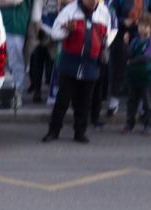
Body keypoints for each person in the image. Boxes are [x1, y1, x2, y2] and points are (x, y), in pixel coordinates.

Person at [44, 0, 111, 143]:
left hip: (91, 64)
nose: (93, 2)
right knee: (62, 100)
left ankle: (80, 132)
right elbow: (55, 33)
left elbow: (107, 34)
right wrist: (67, 29)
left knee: (85, 102)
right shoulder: (70, 10)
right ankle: (53, 131)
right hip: (71, 63)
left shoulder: (104, 12)